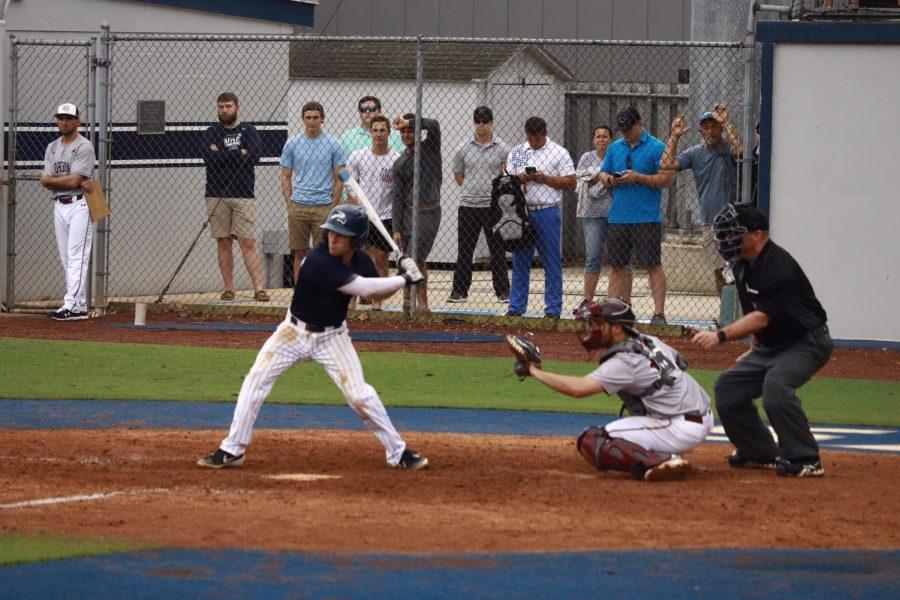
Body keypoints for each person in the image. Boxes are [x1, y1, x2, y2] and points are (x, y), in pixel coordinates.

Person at [198, 204, 429, 471]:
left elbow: (375, 294)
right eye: (331, 232)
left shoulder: (361, 261)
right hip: (292, 332)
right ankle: (232, 449)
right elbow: (363, 287)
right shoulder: (318, 260)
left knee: (360, 395)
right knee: (256, 380)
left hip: (333, 337)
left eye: (340, 234)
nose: (332, 237)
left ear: (355, 241)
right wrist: (404, 278)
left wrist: (401, 269)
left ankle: (398, 452)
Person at [692, 204, 833, 477]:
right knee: (728, 388)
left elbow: (762, 317)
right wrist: (753, 350)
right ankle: (759, 452)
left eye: (734, 233)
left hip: (807, 342)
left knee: (776, 388)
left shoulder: (778, 266)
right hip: (771, 345)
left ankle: (805, 459)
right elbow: (753, 308)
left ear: (757, 235)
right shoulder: (741, 263)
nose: (727, 239)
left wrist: (720, 335)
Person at [514, 299, 713, 481]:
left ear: (617, 328)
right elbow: (680, 362)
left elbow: (578, 389)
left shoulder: (624, 361)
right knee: (639, 407)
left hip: (678, 426)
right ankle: (668, 450)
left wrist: (532, 371)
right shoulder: (649, 340)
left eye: (598, 325)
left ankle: (664, 459)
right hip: (699, 414)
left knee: (593, 439)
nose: (592, 329)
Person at [598, 107, 674, 325]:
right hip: (618, 217)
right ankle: (612, 312)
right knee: (617, 266)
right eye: (622, 130)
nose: (625, 134)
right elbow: (603, 172)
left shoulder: (657, 147)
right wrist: (611, 180)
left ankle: (658, 313)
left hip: (646, 217)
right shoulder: (615, 147)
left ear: (640, 124)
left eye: (629, 129)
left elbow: (667, 180)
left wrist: (637, 177)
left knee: (652, 264)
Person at [659, 104, 741, 297]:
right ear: (700, 131)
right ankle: (725, 314)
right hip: (709, 220)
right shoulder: (695, 153)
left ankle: (740, 315)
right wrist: (675, 136)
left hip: (733, 220)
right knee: (719, 272)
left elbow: (740, 150)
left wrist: (727, 122)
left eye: (714, 126)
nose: (710, 130)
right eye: (706, 127)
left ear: (720, 128)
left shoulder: (728, 146)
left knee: (738, 271)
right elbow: (666, 163)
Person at [505, 116, 576, 318]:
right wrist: (521, 178)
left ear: (545, 133)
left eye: (537, 139)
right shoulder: (517, 152)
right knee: (520, 261)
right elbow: (507, 179)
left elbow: (571, 182)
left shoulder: (559, 153)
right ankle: (516, 307)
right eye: (530, 139)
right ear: (526, 134)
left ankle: (553, 309)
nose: (534, 143)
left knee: (551, 261)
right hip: (523, 211)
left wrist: (545, 178)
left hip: (547, 210)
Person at [202, 92, 268, 302]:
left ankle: (259, 289)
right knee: (223, 241)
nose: (224, 110)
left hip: (243, 194)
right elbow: (208, 158)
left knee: (247, 241)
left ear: (237, 107)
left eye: (228, 106)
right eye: (221, 107)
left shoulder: (249, 131)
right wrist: (238, 153)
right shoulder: (211, 132)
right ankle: (229, 288)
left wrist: (222, 154)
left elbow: (254, 156)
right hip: (216, 194)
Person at [448, 106, 510, 304]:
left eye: (485, 121)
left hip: (493, 207)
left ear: (492, 123)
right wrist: (473, 190)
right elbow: (459, 176)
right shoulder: (463, 148)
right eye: (478, 121)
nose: (481, 125)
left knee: (497, 250)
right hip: (468, 206)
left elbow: (506, 176)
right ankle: (459, 291)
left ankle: (503, 291)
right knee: (465, 249)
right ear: (474, 123)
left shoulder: (503, 149)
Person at [41, 103, 95, 321]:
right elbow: (46, 182)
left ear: (77, 121)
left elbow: (73, 180)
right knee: (66, 258)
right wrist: (60, 181)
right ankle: (79, 305)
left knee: (76, 257)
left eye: (68, 118)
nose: (64, 122)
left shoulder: (84, 146)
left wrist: (55, 180)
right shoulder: (52, 147)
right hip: (59, 205)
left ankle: (70, 305)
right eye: (60, 118)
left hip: (80, 204)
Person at [346, 115, 400, 310]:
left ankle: (377, 303)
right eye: (375, 130)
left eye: (382, 130)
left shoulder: (396, 159)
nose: (378, 134)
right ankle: (351, 301)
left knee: (380, 260)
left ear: (388, 132)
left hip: (385, 216)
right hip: (361, 216)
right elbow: (352, 188)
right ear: (370, 132)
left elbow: (397, 192)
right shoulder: (358, 156)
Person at [391, 113, 442, 312]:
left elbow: (434, 124)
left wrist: (410, 121)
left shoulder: (430, 148)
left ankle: (421, 303)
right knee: (410, 258)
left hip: (428, 211)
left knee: (414, 256)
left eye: (409, 130)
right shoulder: (400, 162)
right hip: (407, 215)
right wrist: (396, 228)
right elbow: (398, 198)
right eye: (402, 131)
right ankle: (409, 302)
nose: (406, 133)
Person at [575, 125, 614, 303]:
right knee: (593, 257)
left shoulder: (616, 156)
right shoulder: (586, 157)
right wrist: (604, 178)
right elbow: (581, 180)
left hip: (616, 215)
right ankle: (588, 300)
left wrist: (596, 177)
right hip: (591, 215)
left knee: (621, 259)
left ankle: (618, 299)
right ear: (593, 140)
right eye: (597, 136)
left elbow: (617, 182)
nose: (601, 139)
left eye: (605, 136)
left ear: (611, 139)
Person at [340, 95, 405, 158]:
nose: (367, 112)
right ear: (360, 113)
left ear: (379, 111)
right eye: (363, 110)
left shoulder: (397, 136)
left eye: (371, 109)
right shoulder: (347, 137)